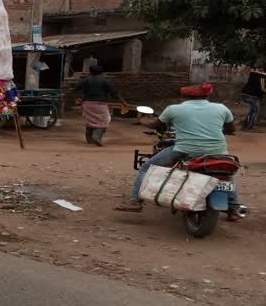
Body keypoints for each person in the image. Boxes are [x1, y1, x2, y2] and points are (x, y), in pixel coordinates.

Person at [116, 83, 242, 220]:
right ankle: (234, 208)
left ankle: (135, 201)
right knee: (225, 173)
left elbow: (156, 125)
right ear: (207, 94)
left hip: (184, 150)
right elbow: (231, 130)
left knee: (146, 167)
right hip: (217, 151)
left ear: (184, 96)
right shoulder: (221, 108)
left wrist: (141, 119)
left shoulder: (174, 109)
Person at [73, 65, 126, 146]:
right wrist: (123, 102)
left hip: (87, 104)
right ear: (101, 73)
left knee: (90, 121)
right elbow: (114, 93)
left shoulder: (86, 80)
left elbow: (74, 89)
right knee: (104, 120)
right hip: (100, 104)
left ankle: (89, 139)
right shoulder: (105, 81)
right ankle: (97, 137)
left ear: (90, 72)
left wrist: (77, 98)